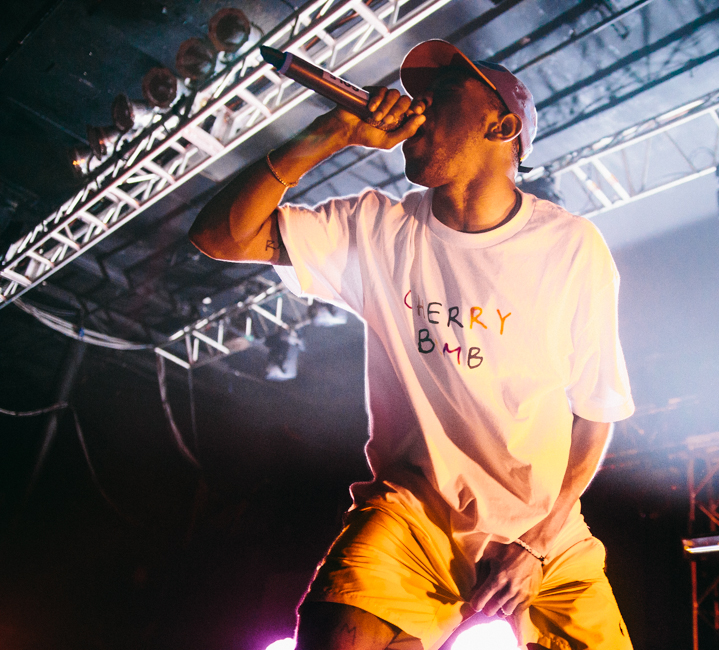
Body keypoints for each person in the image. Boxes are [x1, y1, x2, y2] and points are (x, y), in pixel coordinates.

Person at [190, 39, 634, 650]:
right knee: (332, 634)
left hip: (543, 529)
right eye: (419, 94)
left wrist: (534, 542)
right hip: (414, 515)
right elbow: (219, 235)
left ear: (501, 125)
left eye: (442, 95)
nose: (417, 106)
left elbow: (596, 414)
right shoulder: (376, 227)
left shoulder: (570, 248)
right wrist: (328, 136)